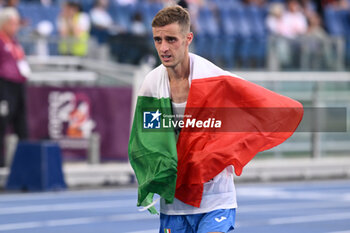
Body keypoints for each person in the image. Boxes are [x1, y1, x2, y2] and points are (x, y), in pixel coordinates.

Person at [128, 5, 303, 233]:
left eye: (171, 39)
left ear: (188, 38)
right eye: (157, 40)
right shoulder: (152, 84)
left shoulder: (213, 79)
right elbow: (146, 142)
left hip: (216, 198)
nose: (164, 47)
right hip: (174, 204)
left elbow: (254, 108)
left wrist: (212, 153)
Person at [0, 7, 30, 167]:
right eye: (13, 23)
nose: (16, 27)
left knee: (22, 125)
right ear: (4, 23)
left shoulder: (15, 42)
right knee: (2, 122)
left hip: (19, 85)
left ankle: (25, 163)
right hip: (4, 86)